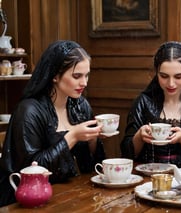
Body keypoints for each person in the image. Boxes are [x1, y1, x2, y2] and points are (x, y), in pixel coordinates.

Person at [0, 40, 106, 207]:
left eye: (87, 75)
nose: (84, 83)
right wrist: (72, 137)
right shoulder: (29, 111)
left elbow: (92, 168)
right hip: (27, 203)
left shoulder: (81, 105)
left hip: (73, 196)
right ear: (55, 75)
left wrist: (93, 140)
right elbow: (31, 171)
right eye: (77, 76)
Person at [120, 41, 181, 167]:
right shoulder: (143, 102)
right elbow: (126, 154)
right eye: (164, 76)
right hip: (148, 178)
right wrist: (139, 136)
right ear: (156, 73)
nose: (171, 84)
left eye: (178, 76)